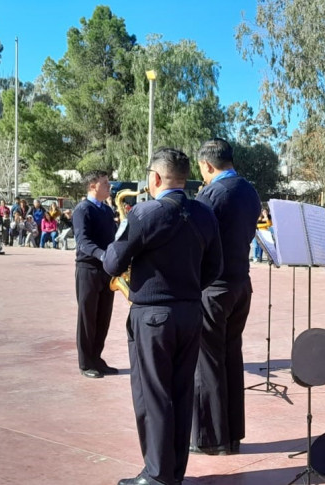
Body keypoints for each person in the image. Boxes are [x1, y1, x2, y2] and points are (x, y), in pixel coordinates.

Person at [103, 148, 222, 485]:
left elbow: (112, 263)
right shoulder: (204, 214)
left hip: (152, 317)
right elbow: (216, 267)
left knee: (153, 394)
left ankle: (157, 475)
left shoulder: (144, 213)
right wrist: (187, 288)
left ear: (155, 178)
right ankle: (174, 472)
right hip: (190, 311)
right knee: (182, 393)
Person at [190, 139, 261, 455]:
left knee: (207, 363)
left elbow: (196, 238)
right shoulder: (249, 190)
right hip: (239, 284)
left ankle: (211, 438)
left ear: (206, 165)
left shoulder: (212, 194)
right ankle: (232, 435)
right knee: (231, 358)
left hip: (214, 287)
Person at [72, 170, 118, 379]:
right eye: (105, 183)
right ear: (92, 185)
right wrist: (102, 255)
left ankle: (97, 358)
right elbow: (83, 241)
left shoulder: (107, 211)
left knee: (103, 316)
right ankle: (85, 362)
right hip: (88, 268)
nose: (109, 186)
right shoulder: (83, 209)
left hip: (106, 270)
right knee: (87, 317)